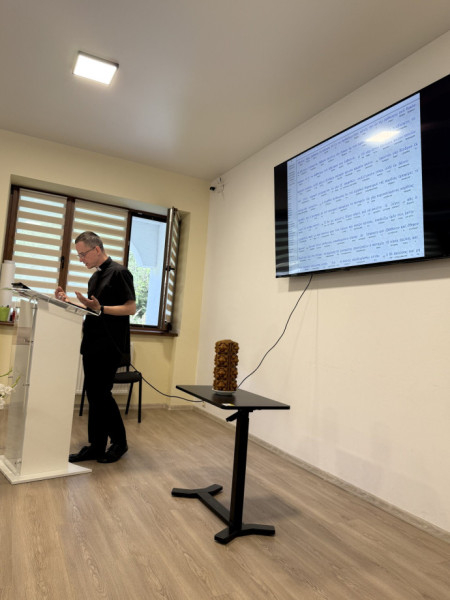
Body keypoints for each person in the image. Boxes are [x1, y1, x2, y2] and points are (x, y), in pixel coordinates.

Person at [55, 231, 136, 464]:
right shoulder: (95, 277)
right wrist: (67, 301)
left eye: (83, 254)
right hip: (91, 343)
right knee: (94, 395)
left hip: (110, 345)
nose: (81, 259)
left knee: (101, 394)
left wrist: (102, 309)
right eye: (79, 255)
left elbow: (130, 308)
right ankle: (97, 446)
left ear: (97, 249)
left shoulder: (120, 273)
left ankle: (119, 442)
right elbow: (92, 310)